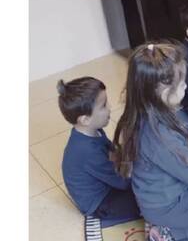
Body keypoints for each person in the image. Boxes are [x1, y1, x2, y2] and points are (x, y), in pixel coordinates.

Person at [112, 42, 188, 240]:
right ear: (162, 93)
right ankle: (166, 233)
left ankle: (161, 223)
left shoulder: (146, 111)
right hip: (165, 206)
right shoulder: (157, 136)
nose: (186, 86)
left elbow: (167, 147)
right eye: (182, 83)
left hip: (158, 196)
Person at [58, 77, 140, 222]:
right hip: (100, 203)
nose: (110, 107)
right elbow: (122, 182)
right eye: (103, 106)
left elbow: (111, 150)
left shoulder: (93, 130)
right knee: (147, 197)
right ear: (85, 120)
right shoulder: (87, 151)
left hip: (107, 182)